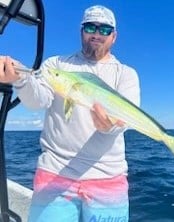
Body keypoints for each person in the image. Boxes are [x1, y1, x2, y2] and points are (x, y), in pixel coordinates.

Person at [0, 5, 140, 222]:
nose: (96, 33)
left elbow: (126, 120)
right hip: (54, 175)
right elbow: (39, 100)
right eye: (90, 27)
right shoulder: (56, 65)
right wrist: (20, 78)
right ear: (81, 31)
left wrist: (110, 127)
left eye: (104, 29)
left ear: (114, 36)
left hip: (108, 180)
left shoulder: (127, 74)